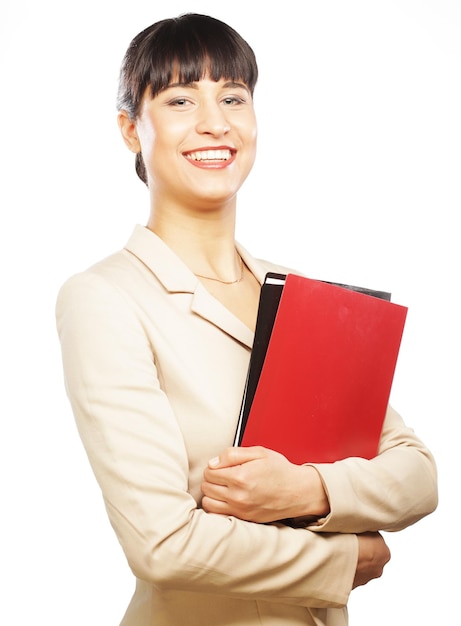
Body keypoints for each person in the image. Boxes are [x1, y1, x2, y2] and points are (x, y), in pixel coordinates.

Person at [55, 13, 438, 626]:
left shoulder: (299, 297)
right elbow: (163, 543)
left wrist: (307, 490)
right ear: (131, 129)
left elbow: (418, 474)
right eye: (180, 99)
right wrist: (344, 560)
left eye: (233, 97)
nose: (216, 121)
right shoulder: (105, 297)